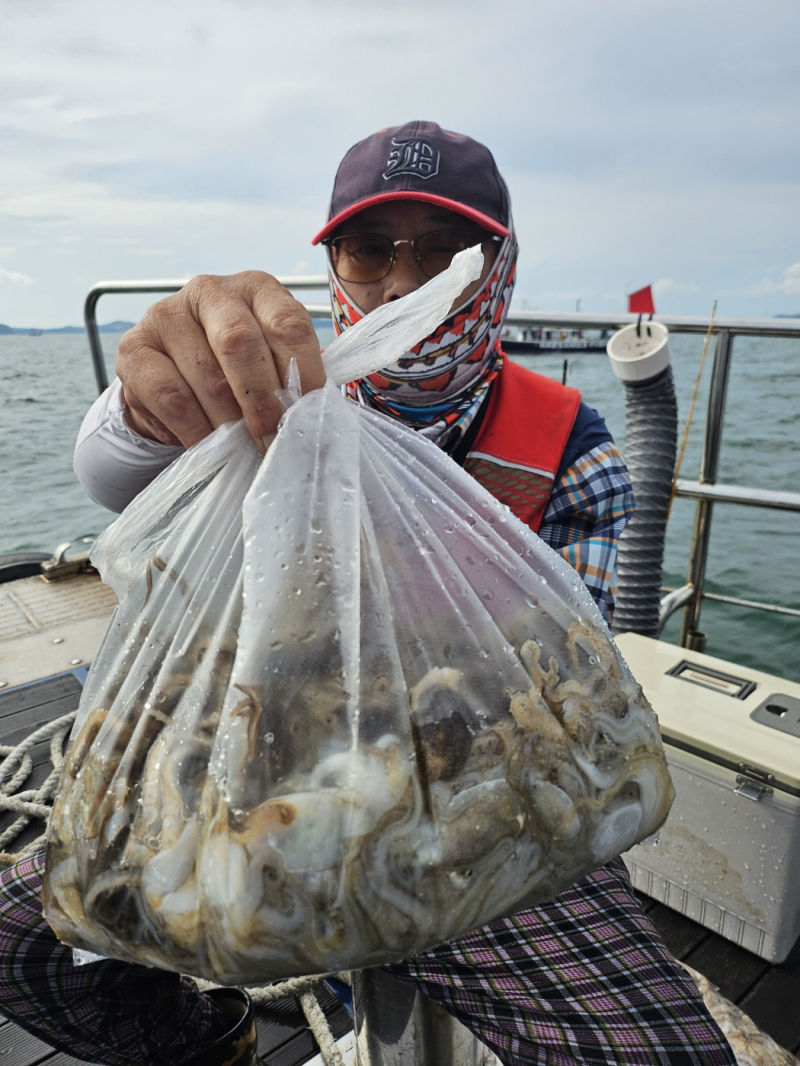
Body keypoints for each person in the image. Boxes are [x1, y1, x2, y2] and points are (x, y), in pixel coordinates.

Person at [0, 121, 736, 1066]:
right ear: (333, 264)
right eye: (370, 249)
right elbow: (113, 475)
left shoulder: (573, 447)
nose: (401, 282)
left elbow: (569, 684)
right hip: (236, 780)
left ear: (494, 267)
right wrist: (146, 403)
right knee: (26, 943)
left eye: (444, 251)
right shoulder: (272, 396)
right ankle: (205, 1039)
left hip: (498, 817)